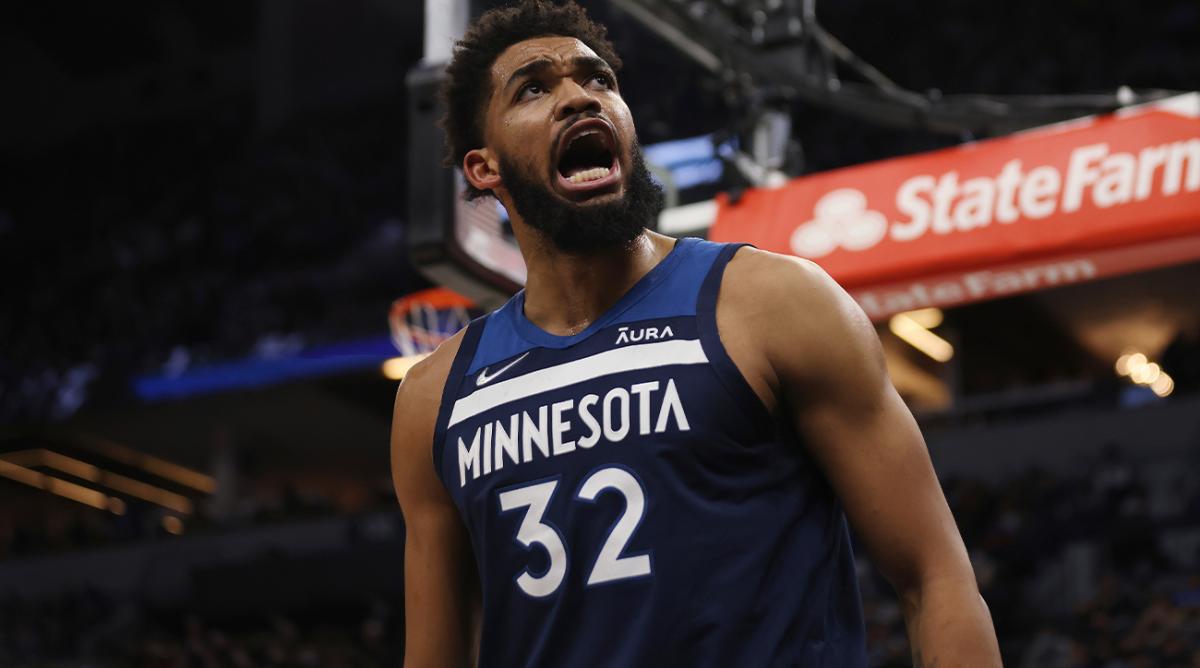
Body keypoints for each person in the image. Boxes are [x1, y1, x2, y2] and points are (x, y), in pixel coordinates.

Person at [391, 1, 1001, 665]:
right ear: (484, 168)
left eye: (599, 81)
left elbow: (935, 577)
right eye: (534, 88)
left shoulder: (772, 303)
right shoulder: (436, 397)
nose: (579, 98)